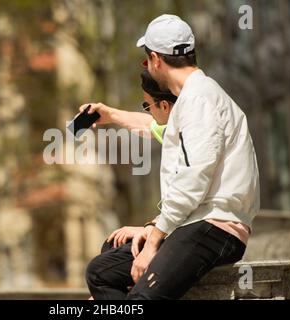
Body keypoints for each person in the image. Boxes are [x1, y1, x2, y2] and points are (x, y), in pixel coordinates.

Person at [84, 14, 260, 300]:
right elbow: (156, 128)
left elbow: (194, 180)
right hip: (196, 223)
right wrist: (112, 115)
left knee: (141, 299)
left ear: (155, 59)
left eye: (145, 61)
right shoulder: (192, 101)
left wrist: (154, 240)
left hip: (215, 228)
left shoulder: (199, 100)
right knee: (101, 271)